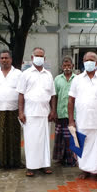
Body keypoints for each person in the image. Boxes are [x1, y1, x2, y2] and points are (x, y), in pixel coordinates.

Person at [68, 51, 97, 181]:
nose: (89, 62)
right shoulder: (77, 79)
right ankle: (85, 170)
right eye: (87, 60)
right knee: (82, 146)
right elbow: (71, 100)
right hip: (82, 120)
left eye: (92, 60)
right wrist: (71, 120)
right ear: (83, 61)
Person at [17, 47, 57, 177]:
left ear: (44, 59)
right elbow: (21, 95)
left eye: (41, 56)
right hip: (30, 114)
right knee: (31, 141)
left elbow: (52, 95)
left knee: (44, 141)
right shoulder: (26, 74)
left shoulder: (48, 75)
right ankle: (31, 167)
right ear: (32, 58)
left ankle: (45, 165)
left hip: (45, 113)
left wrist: (53, 111)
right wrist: (21, 112)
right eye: (36, 56)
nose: (39, 58)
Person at [0, 50, 23, 169]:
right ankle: (1, 162)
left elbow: (21, 92)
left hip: (14, 110)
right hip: (0, 109)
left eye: (6, 58)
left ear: (11, 59)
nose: (4, 60)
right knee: (0, 136)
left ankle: (16, 162)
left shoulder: (18, 73)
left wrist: (21, 110)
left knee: (14, 136)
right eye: (2, 58)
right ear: (0, 60)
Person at [53, 56, 77, 167]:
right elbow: (55, 96)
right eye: (65, 66)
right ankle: (60, 158)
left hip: (73, 114)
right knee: (60, 137)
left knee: (71, 137)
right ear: (62, 67)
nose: (67, 68)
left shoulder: (77, 79)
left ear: (72, 66)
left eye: (69, 65)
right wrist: (54, 111)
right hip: (60, 112)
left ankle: (72, 159)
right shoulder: (57, 79)